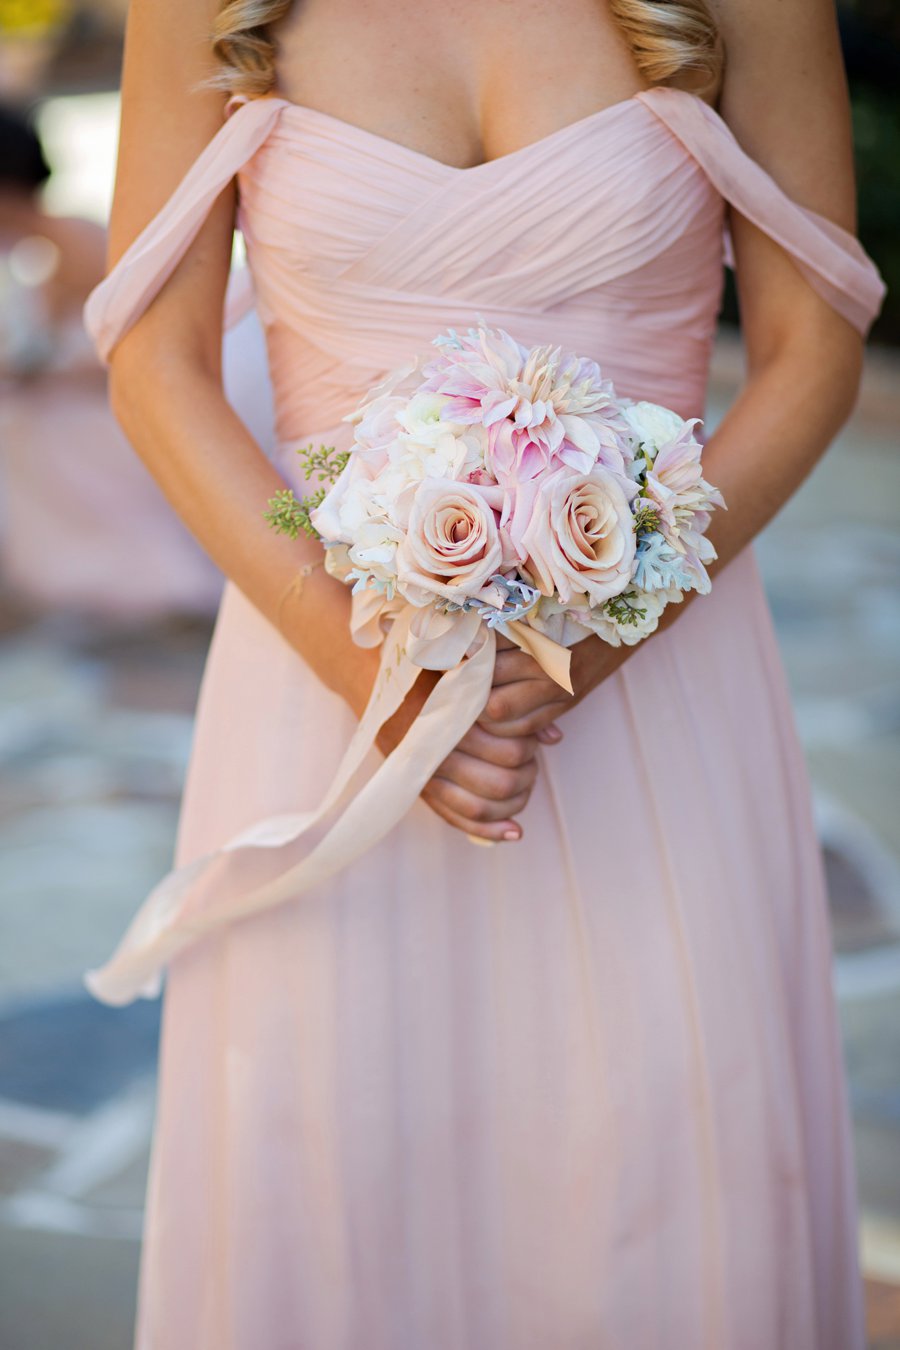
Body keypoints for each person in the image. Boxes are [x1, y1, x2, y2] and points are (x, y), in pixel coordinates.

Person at [82, 0, 885, 1345]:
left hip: (653, 687)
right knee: (340, 1188)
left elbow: (815, 351)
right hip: (326, 692)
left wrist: (585, 645)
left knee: (670, 1182)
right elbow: (155, 363)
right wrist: (383, 684)